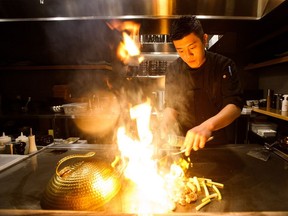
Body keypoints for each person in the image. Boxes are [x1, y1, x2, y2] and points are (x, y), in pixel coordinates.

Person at [162, 16, 244, 156]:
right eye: (180, 50)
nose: (188, 56)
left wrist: (207, 126)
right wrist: (162, 124)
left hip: (216, 144)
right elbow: (171, 107)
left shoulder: (224, 65)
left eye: (192, 47)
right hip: (183, 146)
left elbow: (234, 106)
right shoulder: (173, 69)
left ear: (204, 39)